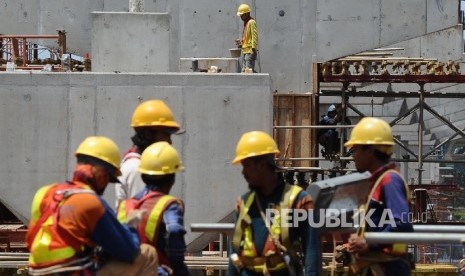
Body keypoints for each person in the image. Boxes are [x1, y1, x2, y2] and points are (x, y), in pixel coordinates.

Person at [26, 136, 158, 275]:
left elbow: (31, 241)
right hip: (72, 273)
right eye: (108, 179)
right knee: (147, 253)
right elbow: (128, 251)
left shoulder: (44, 193)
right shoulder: (90, 202)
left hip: (37, 272)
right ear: (102, 173)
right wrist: (131, 226)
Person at [227, 131, 321, 276]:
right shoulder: (244, 203)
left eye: (246, 165)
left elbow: (311, 249)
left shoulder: (299, 200)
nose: (243, 172)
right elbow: (235, 251)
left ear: (262, 165)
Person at [344, 117, 413, 276]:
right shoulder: (378, 182)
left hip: (388, 268)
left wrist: (368, 243)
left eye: (355, 150)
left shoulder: (390, 180)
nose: (353, 156)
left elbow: (402, 223)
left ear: (370, 150)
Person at [117, 142, 189, 276]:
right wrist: (178, 267)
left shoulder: (124, 206)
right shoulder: (169, 205)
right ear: (172, 179)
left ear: (143, 176)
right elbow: (174, 231)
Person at [116, 99, 182, 208]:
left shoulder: (136, 163)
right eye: (166, 135)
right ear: (147, 134)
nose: (170, 142)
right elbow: (142, 217)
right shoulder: (137, 168)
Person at [236, 4, 258, 73]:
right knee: (244, 70)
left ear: (246, 14)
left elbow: (254, 36)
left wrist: (254, 48)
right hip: (245, 50)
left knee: (248, 70)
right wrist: (240, 42)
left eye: (241, 15)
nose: (241, 17)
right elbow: (247, 37)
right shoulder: (246, 23)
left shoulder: (251, 22)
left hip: (249, 50)